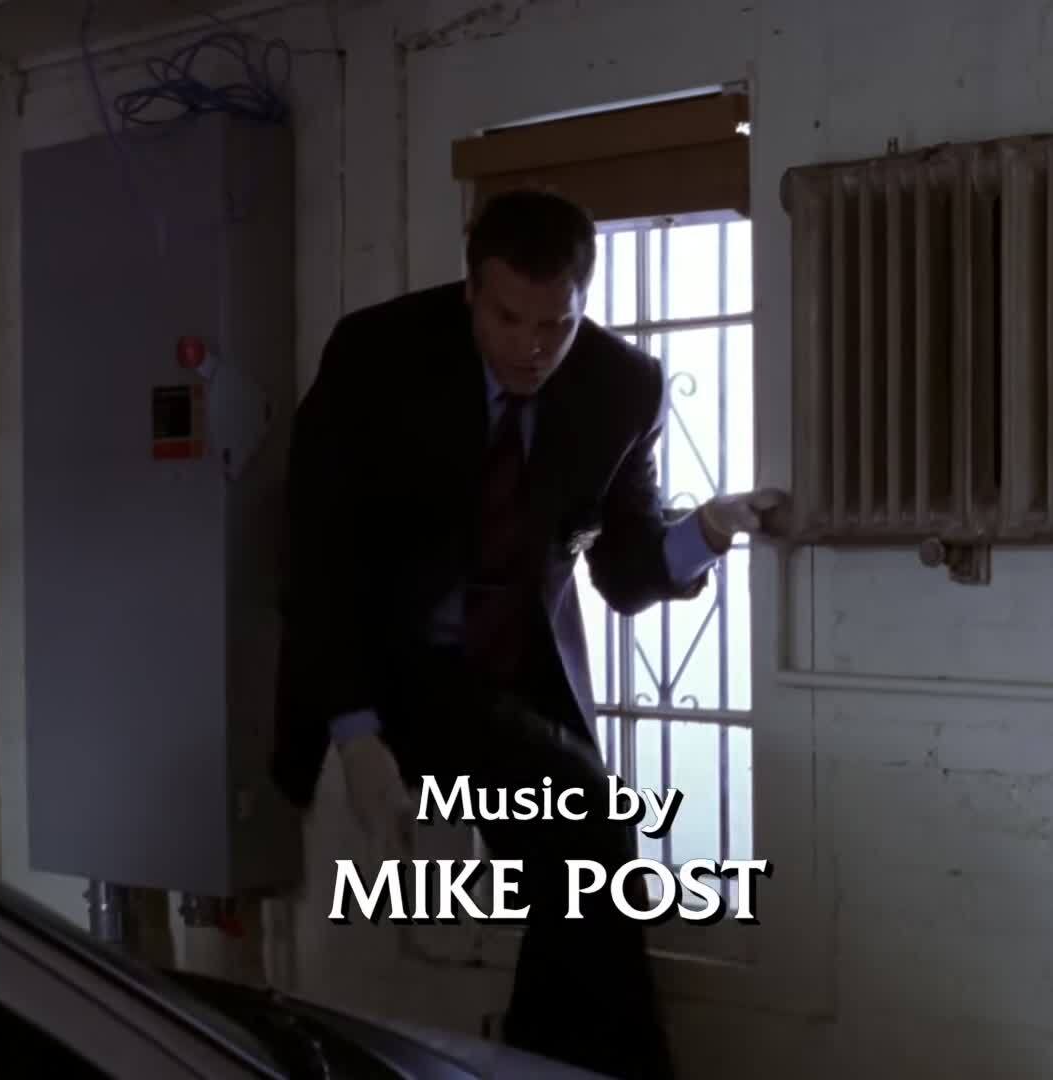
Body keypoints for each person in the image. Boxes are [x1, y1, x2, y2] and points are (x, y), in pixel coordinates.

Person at [272, 188, 786, 1080]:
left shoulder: (621, 386)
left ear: (583, 303)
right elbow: (317, 553)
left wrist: (708, 529)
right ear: (471, 290)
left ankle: (547, 1061)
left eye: (557, 324)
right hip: (386, 657)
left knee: (584, 864)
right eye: (508, 319)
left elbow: (623, 572)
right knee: (588, 833)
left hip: (510, 672)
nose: (532, 347)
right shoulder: (378, 354)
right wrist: (355, 735)